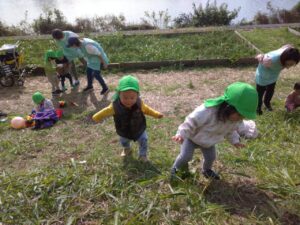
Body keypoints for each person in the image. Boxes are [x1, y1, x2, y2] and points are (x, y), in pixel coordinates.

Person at [171, 82, 258, 180]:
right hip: (191, 137)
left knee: (211, 157)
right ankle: (175, 170)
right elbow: (190, 122)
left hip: (209, 142)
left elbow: (231, 131)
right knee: (186, 156)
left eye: (243, 116)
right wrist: (181, 134)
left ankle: (206, 170)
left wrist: (235, 141)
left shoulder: (234, 120)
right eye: (239, 115)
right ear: (228, 107)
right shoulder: (207, 111)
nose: (240, 119)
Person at [92, 75, 163, 162]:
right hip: (124, 130)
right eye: (125, 97)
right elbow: (105, 111)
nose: (129, 100)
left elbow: (147, 110)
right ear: (119, 94)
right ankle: (127, 149)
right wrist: (97, 117)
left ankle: (142, 155)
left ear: (137, 95)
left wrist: (156, 114)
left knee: (144, 140)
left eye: (132, 98)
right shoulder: (115, 106)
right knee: (124, 141)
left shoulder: (139, 104)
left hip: (139, 128)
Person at [255, 44, 300, 115]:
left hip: (273, 75)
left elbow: (287, 47)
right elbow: (259, 57)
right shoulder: (271, 59)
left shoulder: (288, 53)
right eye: (290, 64)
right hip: (263, 75)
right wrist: (261, 57)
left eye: (292, 65)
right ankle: (258, 109)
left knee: (270, 90)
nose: (289, 67)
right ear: (285, 58)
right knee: (260, 93)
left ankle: (267, 104)